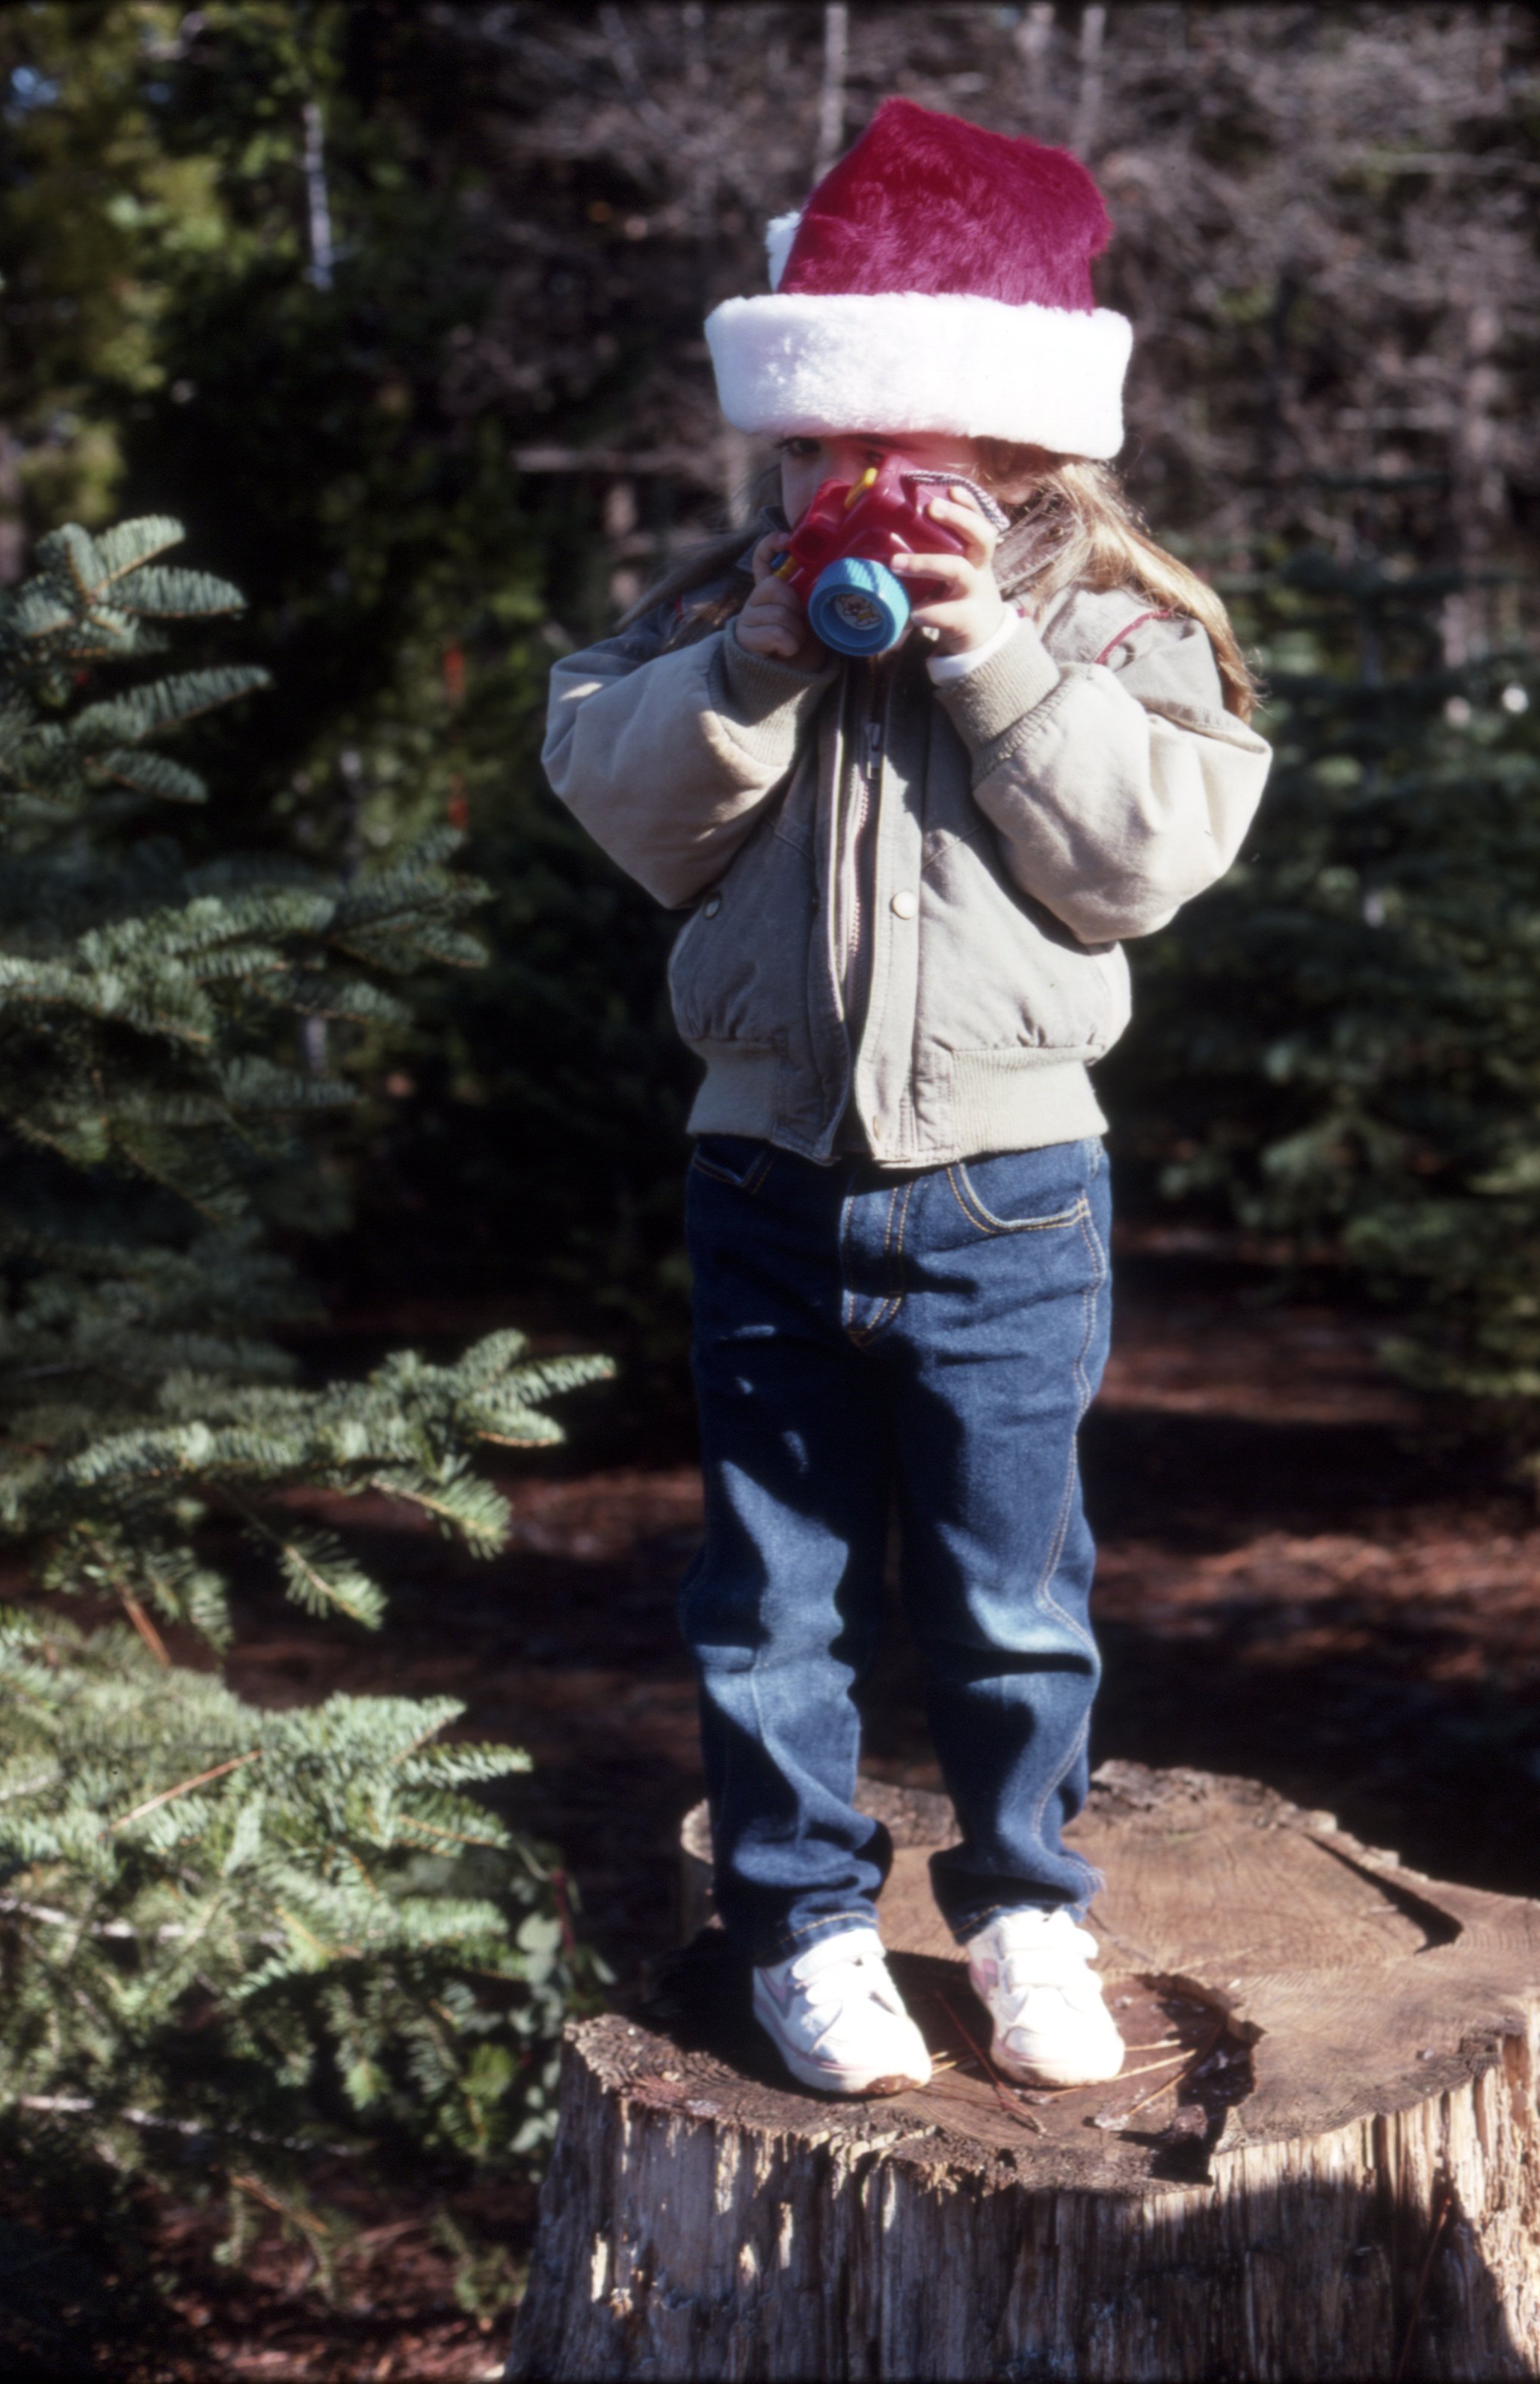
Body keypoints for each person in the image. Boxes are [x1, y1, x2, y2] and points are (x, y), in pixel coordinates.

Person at [543, 99, 1272, 2099]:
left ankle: (1026, 1903)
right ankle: (801, 1921)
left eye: (898, 451)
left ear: (1018, 445)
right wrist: (758, 662)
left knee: (1009, 1592)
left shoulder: (1116, 630)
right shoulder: (730, 610)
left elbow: (1140, 863)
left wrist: (993, 660)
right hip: (766, 1171)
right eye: (812, 449)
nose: (847, 487)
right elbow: (624, 809)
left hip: (1007, 1187)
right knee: (768, 1595)